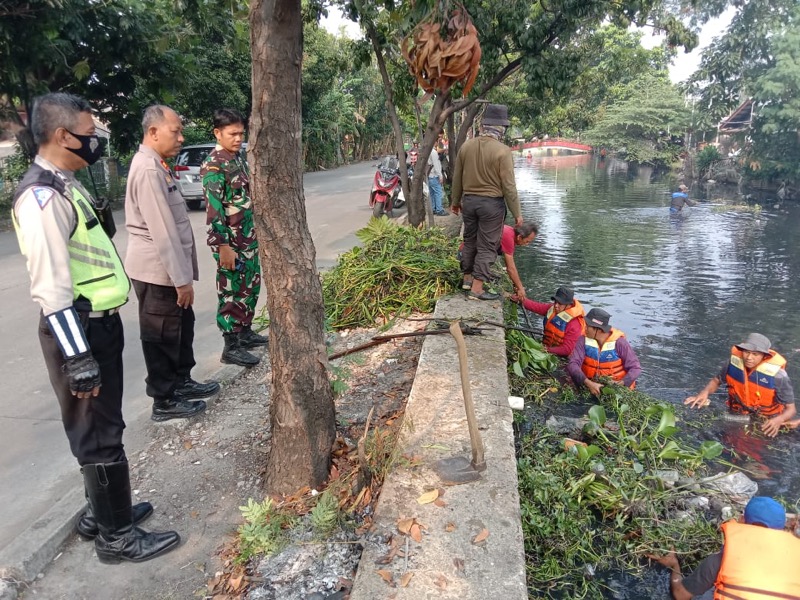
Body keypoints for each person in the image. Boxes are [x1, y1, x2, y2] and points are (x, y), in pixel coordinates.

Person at [12, 92, 179, 563]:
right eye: (89, 135)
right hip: (77, 330)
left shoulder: (65, 184)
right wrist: (78, 356)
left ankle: (101, 513)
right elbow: (50, 287)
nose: (96, 143)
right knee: (97, 433)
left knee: (106, 424)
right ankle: (117, 537)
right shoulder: (42, 198)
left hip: (97, 324)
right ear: (63, 136)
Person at [125, 105, 219, 422]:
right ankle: (164, 400)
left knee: (181, 327)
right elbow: (163, 231)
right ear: (153, 132)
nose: (181, 137)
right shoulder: (149, 169)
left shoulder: (157, 165)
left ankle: (181, 382)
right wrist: (181, 280)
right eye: (175, 131)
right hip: (157, 271)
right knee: (162, 334)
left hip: (167, 269)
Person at [201, 108, 267, 367]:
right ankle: (231, 344)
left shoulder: (237, 158)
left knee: (250, 285)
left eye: (241, 133)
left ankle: (245, 331)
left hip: (247, 238)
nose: (238, 138)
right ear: (218, 133)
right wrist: (223, 246)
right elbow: (214, 210)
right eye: (233, 133)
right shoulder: (214, 164)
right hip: (229, 242)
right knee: (231, 290)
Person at [648, 496, 800, 599]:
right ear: (782, 530)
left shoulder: (722, 561)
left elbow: (681, 595)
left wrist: (674, 565)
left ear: (742, 520)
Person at [451, 103, 523, 301]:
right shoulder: (503, 151)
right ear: (502, 129)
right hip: (492, 206)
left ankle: (466, 279)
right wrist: (517, 213)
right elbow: (509, 186)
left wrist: (455, 201)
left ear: (483, 126)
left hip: (469, 202)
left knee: (469, 240)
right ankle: (477, 288)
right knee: (487, 246)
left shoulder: (467, 146)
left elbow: (457, 177)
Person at [684, 333, 797, 437]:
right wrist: (705, 392)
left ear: (764, 356)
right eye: (746, 352)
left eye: (755, 354)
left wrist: (778, 420)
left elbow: (791, 410)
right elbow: (716, 380)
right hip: (736, 412)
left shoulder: (778, 376)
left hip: (766, 420)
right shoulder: (733, 363)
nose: (749, 357)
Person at [567, 308, 641, 395]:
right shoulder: (582, 340)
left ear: (598, 329)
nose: (584, 328)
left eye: (587, 326)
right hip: (591, 386)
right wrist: (589, 383)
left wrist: (620, 383)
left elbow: (635, 368)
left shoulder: (620, 343)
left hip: (618, 390)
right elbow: (573, 364)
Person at [511, 286, 585, 357]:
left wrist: (547, 350)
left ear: (569, 305)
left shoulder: (575, 324)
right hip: (548, 348)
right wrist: (520, 300)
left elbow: (567, 349)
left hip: (565, 356)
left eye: (560, 303)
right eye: (555, 301)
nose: (556, 305)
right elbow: (536, 306)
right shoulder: (552, 309)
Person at [427, 145, 446, 216]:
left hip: (429, 176)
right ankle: (439, 210)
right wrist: (440, 176)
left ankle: (433, 209)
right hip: (434, 175)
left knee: (432, 193)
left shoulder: (426, 151)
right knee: (438, 193)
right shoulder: (433, 152)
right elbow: (436, 165)